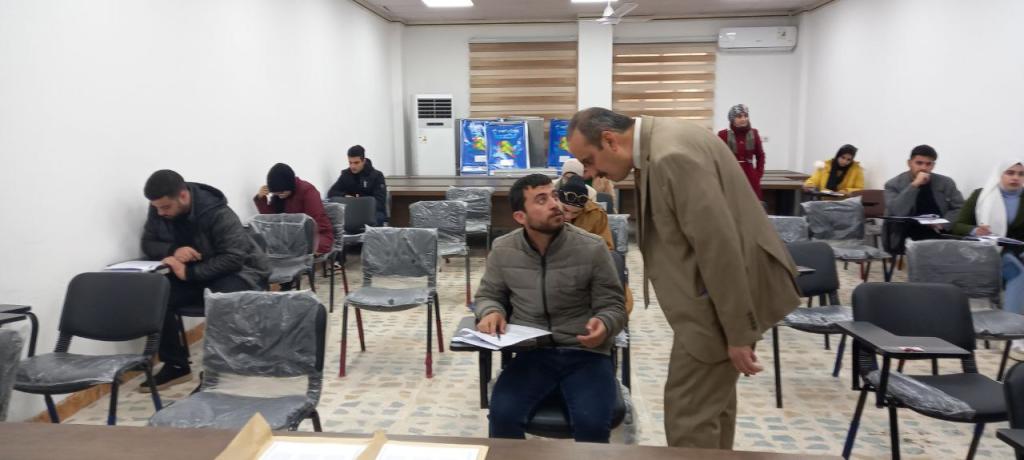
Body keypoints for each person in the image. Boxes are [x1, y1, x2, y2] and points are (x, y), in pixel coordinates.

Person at [566, 107, 800, 449]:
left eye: (588, 160)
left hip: (720, 305)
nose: (589, 173)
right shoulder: (668, 138)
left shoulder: (671, 156)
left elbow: (718, 248)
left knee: (688, 416)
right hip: (721, 298)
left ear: (610, 140)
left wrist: (738, 331)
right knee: (714, 407)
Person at [475, 174, 627, 443]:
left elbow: (614, 304)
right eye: (541, 200)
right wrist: (491, 311)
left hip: (585, 354)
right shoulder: (503, 249)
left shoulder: (592, 247)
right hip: (532, 353)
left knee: (592, 423)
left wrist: (604, 323)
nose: (555, 204)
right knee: (503, 415)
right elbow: (489, 295)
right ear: (520, 217)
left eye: (554, 196)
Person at [140, 170, 269, 391]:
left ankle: (217, 373)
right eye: (156, 208)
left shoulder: (218, 213)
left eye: (165, 207)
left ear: (183, 196)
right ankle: (176, 365)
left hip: (240, 272)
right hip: (197, 272)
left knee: (219, 299)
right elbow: (148, 243)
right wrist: (173, 250)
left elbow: (234, 258)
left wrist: (189, 274)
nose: (160, 213)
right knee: (157, 296)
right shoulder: (159, 208)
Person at [952, 160, 1024, 355]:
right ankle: (1012, 332)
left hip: (1016, 251)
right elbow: (958, 225)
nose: (1016, 178)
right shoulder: (981, 195)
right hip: (983, 253)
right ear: (999, 174)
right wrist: (975, 230)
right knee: (1019, 274)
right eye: (1010, 173)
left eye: (1020, 174)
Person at [558, 175, 634, 315]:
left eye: (575, 213)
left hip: (587, 266)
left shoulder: (596, 214)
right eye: (565, 210)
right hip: (558, 266)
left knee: (621, 300)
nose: (568, 217)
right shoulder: (550, 212)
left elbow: (606, 248)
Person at [884, 145, 964, 240]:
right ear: (909, 163)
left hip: (940, 231)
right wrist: (915, 185)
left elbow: (959, 208)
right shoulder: (893, 184)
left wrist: (944, 223)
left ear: (933, 166)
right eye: (919, 163)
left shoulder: (946, 183)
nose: (923, 167)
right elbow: (897, 212)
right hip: (906, 233)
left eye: (928, 164)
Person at [254, 163, 334, 254]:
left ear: (289, 185)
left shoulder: (308, 191)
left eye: (281, 193)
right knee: (262, 244)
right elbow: (272, 222)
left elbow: (318, 223)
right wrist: (261, 199)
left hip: (315, 236)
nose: (280, 196)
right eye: (276, 194)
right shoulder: (279, 196)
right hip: (290, 238)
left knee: (294, 249)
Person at [327, 145, 388, 225]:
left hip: (372, 212)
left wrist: (358, 204)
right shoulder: (346, 175)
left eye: (356, 163)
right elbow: (332, 192)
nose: (353, 166)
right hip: (351, 212)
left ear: (363, 161)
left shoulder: (377, 176)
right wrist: (345, 196)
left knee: (377, 217)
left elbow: (380, 203)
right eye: (350, 162)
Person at [717, 104, 765, 199]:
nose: (743, 119)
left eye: (746, 116)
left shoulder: (754, 133)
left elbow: (760, 155)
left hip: (751, 177)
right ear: (732, 119)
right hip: (731, 176)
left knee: (751, 203)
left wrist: (758, 174)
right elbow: (718, 157)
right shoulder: (723, 135)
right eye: (739, 116)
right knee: (733, 202)